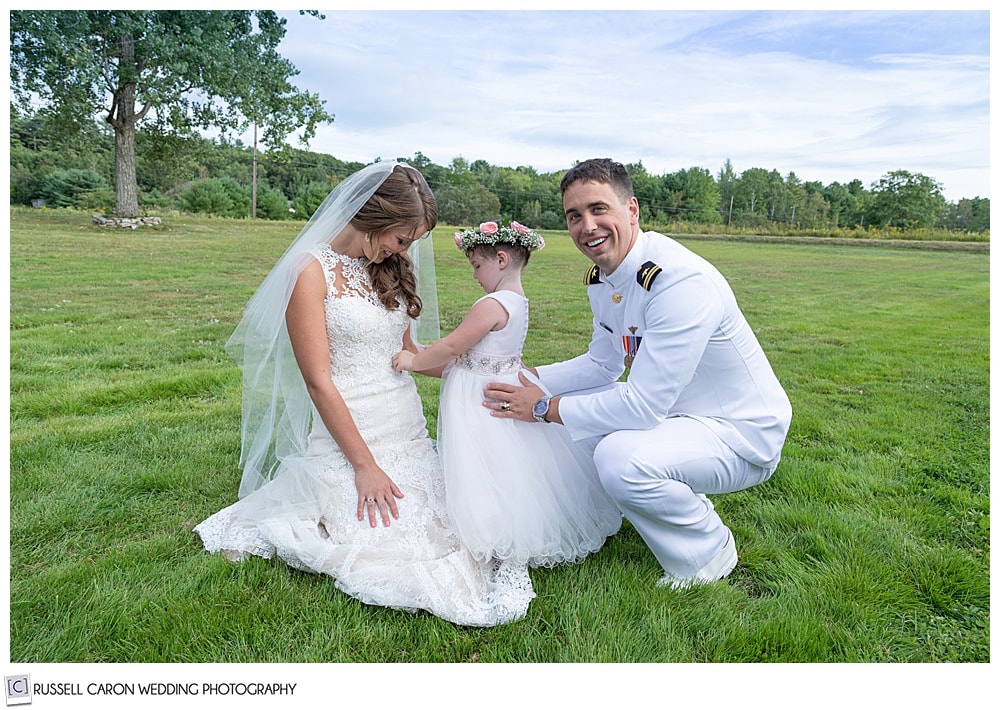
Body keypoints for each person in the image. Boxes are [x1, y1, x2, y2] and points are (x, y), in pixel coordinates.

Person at [195, 161, 534, 626]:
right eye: (402, 238)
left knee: (458, 528)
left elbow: (410, 354)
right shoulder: (310, 271)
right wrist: (365, 466)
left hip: (406, 426)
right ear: (374, 217)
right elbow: (318, 380)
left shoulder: (388, 267)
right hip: (351, 432)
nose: (406, 249)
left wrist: (492, 370)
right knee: (386, 542)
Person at [484, 158, 792, 589]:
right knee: (567, 430)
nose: (587, 226)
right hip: (681, 419)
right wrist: (528, 377)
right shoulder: (603, 278)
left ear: (632, 210)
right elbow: (601, 365)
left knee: (617, 457)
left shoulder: (679, 282)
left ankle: (707, 555)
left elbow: (643, 406)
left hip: (741, 433)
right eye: (574, 216)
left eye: (599, 209)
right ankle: (654, 496)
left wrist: (541, 406)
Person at [391, 221, 621, 568]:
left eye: (476, 266)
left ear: (500, 259)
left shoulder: (491, 304)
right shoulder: (519, 302)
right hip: (494, 387)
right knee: (501, 466)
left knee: (481, 464)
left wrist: (413, 359)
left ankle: (489, 530)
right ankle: (501, 524)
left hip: (479, 400)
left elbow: (454, 345)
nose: (474, 275)